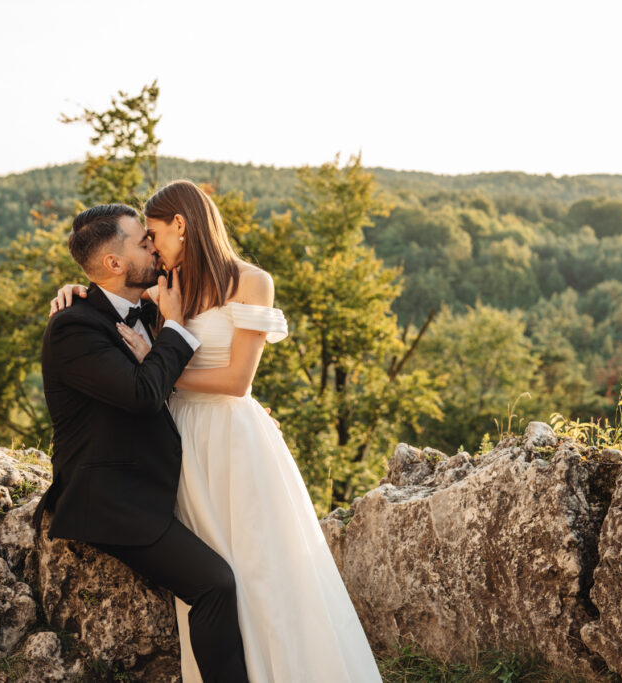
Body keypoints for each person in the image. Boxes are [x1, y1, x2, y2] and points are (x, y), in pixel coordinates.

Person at [50, 180, 382, 682]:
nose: (152, 247)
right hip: (173, 452)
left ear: (180, 226)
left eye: (153, 235)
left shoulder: (217, 287)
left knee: (263, 563)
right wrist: (76, 290)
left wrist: (164, 364)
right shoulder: (133, 300)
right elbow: (115, 309)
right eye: (144, 240)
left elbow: (234, 380)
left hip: (228, 439)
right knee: (219, 573)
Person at [33, 202, 251, 682]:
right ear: (115, 263)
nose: (153, 246)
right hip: (114, 501)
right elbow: (143, 393)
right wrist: (174, 328)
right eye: (142, 241)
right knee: (214, 584)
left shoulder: (145, 305)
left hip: (159, 479)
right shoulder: (73, 327)